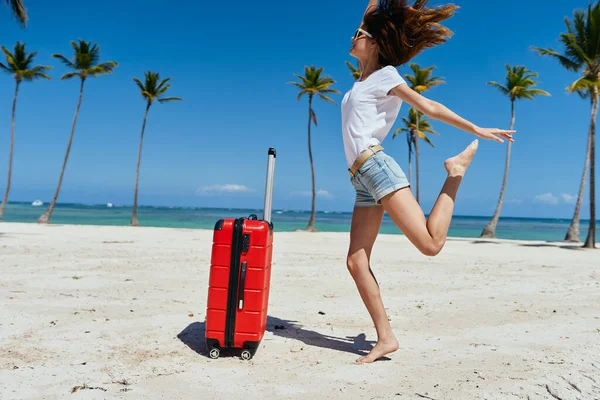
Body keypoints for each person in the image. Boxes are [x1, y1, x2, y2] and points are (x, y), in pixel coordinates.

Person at [342, 0, 515, 364]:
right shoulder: (361, 78)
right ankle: (386, 338)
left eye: (358, 35)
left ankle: (454, 173)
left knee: (430, 244)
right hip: (361, 178)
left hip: (377, 168)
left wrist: (476, 129)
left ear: (372, 44)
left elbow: (429, 107)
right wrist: (370, 10)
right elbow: (369, 18)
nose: (352, 37)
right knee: (357, 263)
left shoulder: (386, 76)